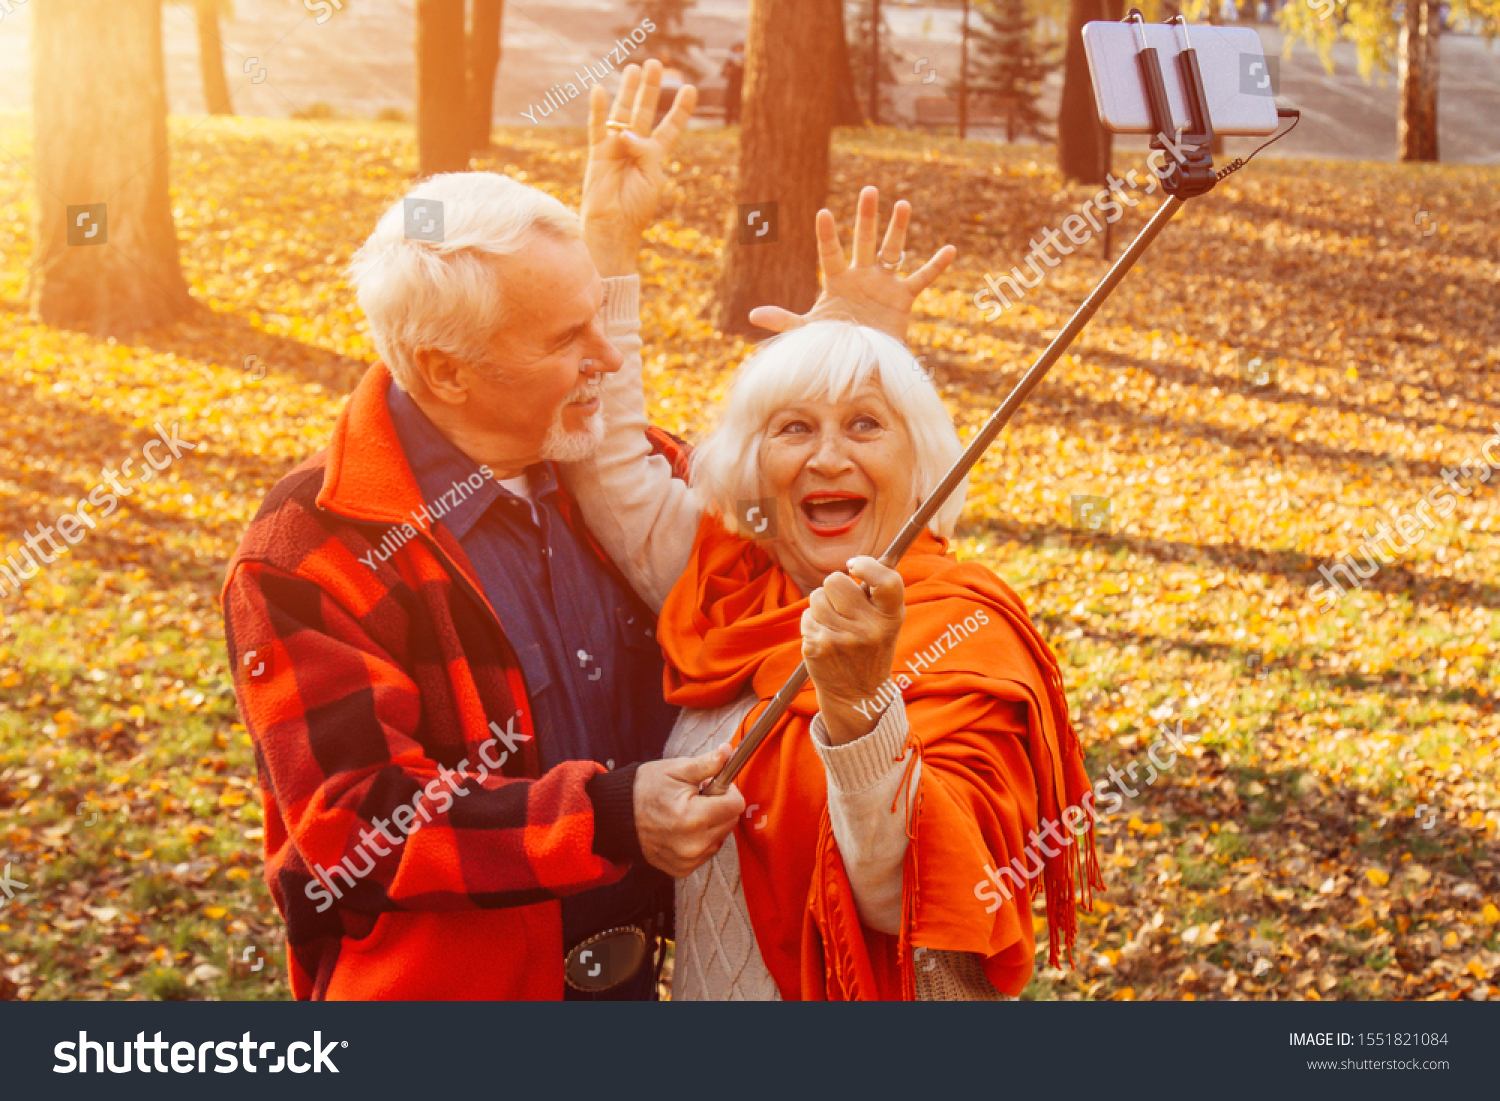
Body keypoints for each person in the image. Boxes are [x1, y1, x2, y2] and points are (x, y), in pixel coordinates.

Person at [220, 63, 758, 1001]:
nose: (607, 357)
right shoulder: (311, 548)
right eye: (565, 340)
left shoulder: (629, 478)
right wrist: (607, 816)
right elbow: (357, 823)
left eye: (600, 319)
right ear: (448, 369)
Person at [564, 191, 1103, 999]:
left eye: (865, 425)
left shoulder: (965, 631)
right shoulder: (732, 586)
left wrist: (858, 711)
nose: (825, 459)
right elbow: (610, 464)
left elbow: (908, 899)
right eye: (793, 428)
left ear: (921, 461)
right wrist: (608, 236)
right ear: (753, 467)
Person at [722, 43, 744, 125]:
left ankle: (739, 122)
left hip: (741, 86)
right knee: (729, 105)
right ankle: (728, 122)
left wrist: (741, 65)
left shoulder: (745, 60)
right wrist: (732, 68)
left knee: (740, 105)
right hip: (732, 86)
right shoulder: (730, 61)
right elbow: (724, 73)